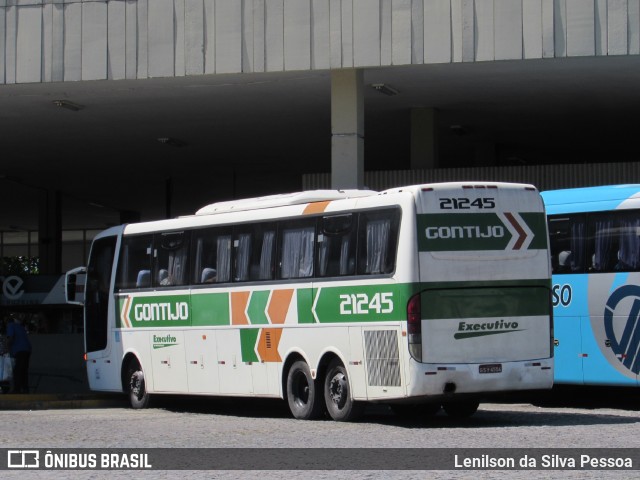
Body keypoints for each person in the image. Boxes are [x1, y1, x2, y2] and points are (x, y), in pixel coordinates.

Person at [6, 315, 32, 394]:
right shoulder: (19, 326)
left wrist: (6, 348)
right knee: (23, 370)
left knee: (17, 370)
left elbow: (10, 338)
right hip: (27, 349)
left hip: (19, 350)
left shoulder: (10, 325)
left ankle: (17, 389)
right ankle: (25, 389)